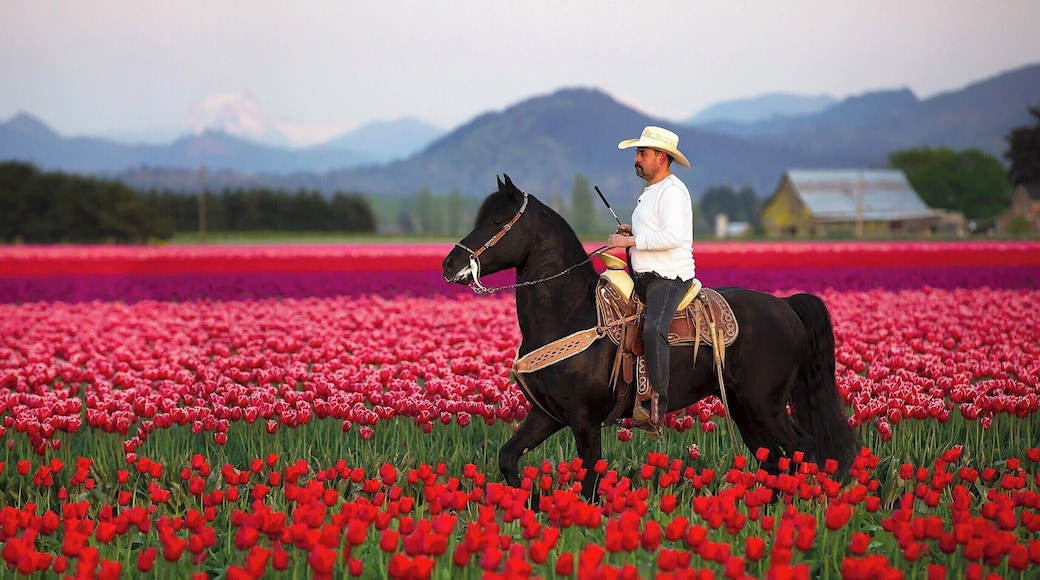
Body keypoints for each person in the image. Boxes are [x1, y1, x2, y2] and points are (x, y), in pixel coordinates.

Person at [607, 126, 695, 426]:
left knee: (654, 327)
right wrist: (634, 233)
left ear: (661, 158)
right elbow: (655, 232)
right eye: (637, 153)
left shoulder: (672, 191)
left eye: (642, 153)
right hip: (644, 277)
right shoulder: (651, 192)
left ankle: (657, 403)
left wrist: (630, 242)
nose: (637, 158)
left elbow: (672, 236)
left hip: (668, 278)